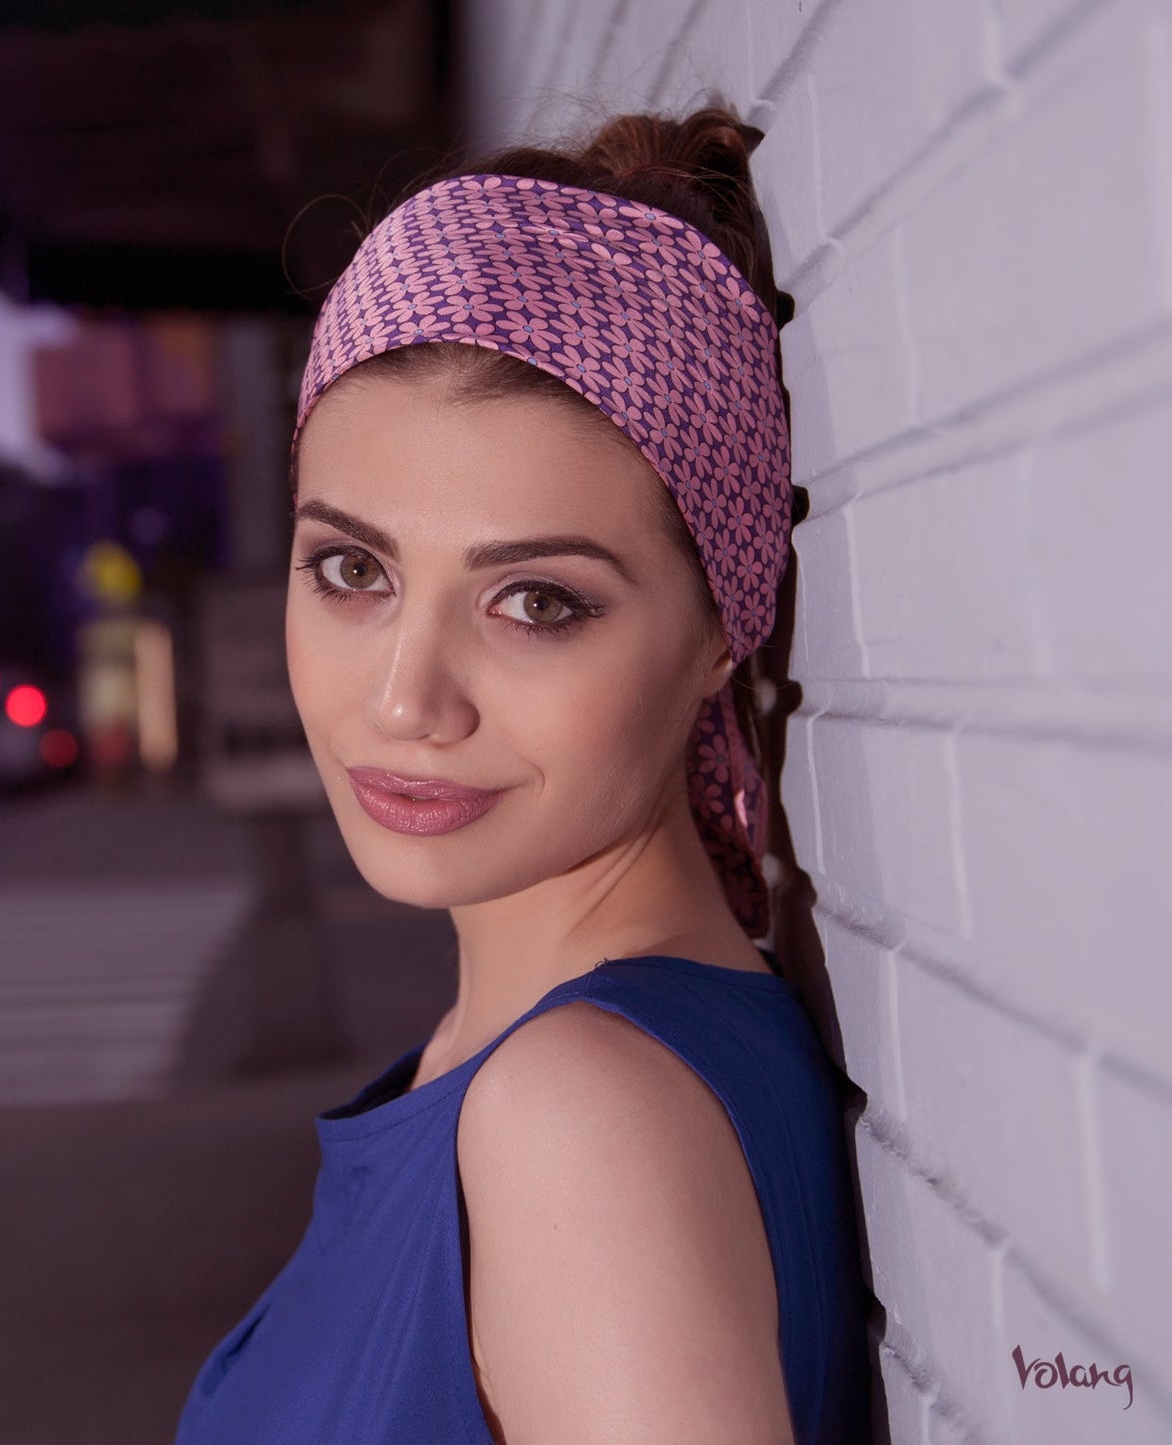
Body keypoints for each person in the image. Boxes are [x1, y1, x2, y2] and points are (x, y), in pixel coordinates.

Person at [175, 106, 873, 1444]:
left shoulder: (577, 1119)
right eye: (351, 571)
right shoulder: (510, 1067)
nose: (402, 699)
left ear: (722, 624)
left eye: (537, 601)